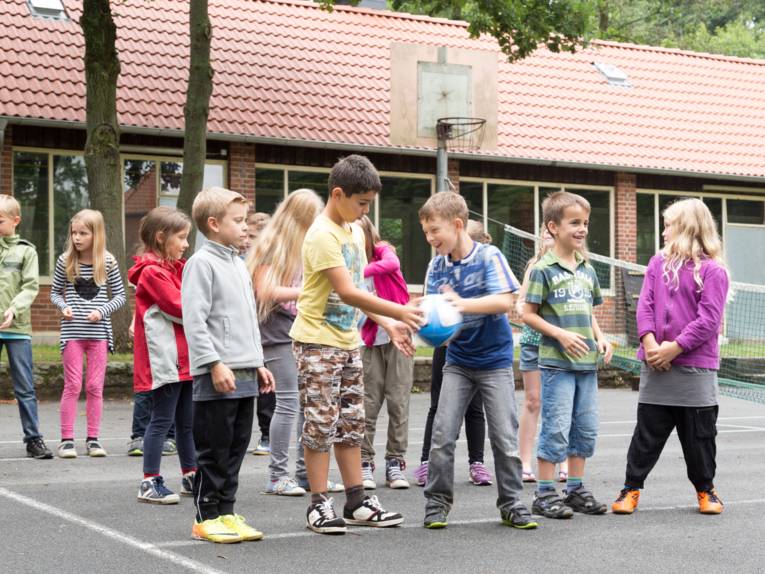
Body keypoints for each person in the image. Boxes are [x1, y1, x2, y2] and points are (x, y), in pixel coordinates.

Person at [290, 154, 422, 535]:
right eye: (361, 203)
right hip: (316, 343)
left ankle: (356, 500)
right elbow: (346, 292)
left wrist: (388, 324)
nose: (366, 211)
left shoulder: (353, 230)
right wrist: (399, 311)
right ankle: (318, 504)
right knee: (320, 425)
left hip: (347, 343)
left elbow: (362, 290)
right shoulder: (322, 235)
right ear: (338, 194)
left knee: (351, 425)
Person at [420, 193, 537, 531]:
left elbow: (504, 301)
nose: (429, 238)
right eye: (425, 232)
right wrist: (417, 321)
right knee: (442, 434)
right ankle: (437, 503)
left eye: (434, 231)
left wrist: (460, 305)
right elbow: (431, 312)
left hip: (494, 361)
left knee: (504, 437)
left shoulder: (489, 256)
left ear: (457, 225)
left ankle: (513, 504)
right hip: (457, 360)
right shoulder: (436, 265)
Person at [612, 198, 729, 516]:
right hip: (656, 365)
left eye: (668, 225)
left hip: (695, 370)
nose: (663, 232)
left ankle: (706, 490)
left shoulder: (713, 271)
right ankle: (631, 489)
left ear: (687, 228)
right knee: (645, 436)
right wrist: (650, 345)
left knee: (699, 439)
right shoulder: (656, 264)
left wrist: (673, 348)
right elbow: (644, 306)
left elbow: (708, 320)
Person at [182, 186, 275, 544]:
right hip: (217, 374)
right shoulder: (200, 264)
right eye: (237, 222)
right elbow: (195, 320)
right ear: (213, 224)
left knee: (237, 445)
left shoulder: (238, 263)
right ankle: (206, 516)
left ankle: (227, 511)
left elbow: (248, 320)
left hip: (245, 372)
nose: (245, 228)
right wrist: (214, 363)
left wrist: (258, 362)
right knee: (214, 447)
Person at [522, 191, 613, 519]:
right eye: (575, 222)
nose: (582, 229)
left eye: (585, 223)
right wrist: (559, 334)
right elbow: (526, 313)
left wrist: (602, 339)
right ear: (552, 227)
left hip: (586, 366)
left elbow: (589, 312)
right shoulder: (542, 269)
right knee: (556, 427)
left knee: (585, 427)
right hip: (557, 365)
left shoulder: (588, 269)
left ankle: (574, 488)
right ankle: (545, 494)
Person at [246, 188, 339, 496]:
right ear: (300, 219)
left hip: (299, 332)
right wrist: (308, 292)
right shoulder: (273, 247)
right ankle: (277, 476)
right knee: (287, 404)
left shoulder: (302, 246)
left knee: (306, 406)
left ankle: (305, 474)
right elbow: (266, 289)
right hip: (276, 336)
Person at [413, 220, 496, 489]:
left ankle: (477, 463)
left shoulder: (485, 267)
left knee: (475, 409)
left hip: (477, 348)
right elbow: (430, 303)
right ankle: (427, 462)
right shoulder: (439, 267)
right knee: (438, 406)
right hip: (447, 346)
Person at [131, 207, 197, 504]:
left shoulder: (176, 268)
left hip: (184, 358)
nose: (186, 244)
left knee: (186, 421)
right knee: (161, 420)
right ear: (161, 237)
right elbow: (181, 307)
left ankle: (191, 473)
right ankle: (149, 480)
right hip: (166, 359)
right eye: (181, 238)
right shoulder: (152, 273)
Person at [50, 209, 126, 459]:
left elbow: (120, 297)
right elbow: (54, 293)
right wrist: (64, 307)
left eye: (83, 233)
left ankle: (93, 439)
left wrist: (101, 312)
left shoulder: (109, 262)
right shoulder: (65, 261)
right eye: (74, 233)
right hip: (72, 333)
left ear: (96, 234)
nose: (77, 238)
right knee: (72, 385)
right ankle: (66, 440)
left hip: (99, 335)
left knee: (95, 386)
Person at [356, 215, 414, 490]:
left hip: (400, 336)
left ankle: (396, 461)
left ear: (368, 235)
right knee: (367, 403)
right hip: (370, 340)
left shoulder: (383, 251)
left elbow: (393, 264)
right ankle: (364, 462)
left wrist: (358, 272)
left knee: (398, 400)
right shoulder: (346, 260)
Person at [0, 195, 52, 459]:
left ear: (16, 221)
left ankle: (33, 439)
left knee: (24, 387)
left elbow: (31, 286)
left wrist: (13, 309)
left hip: (17, 328)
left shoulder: (26, 251)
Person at [515, 227, 569, 483]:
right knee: (533, 401)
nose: (547, 236)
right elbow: (521, 301)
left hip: (562, 345)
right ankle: (525, 462)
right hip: (534, 342)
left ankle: (563, 461)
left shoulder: (571, 265)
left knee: (560, 404)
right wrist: (521, 307)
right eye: (543, 233)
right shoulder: (535, 266)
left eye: (551, 233)